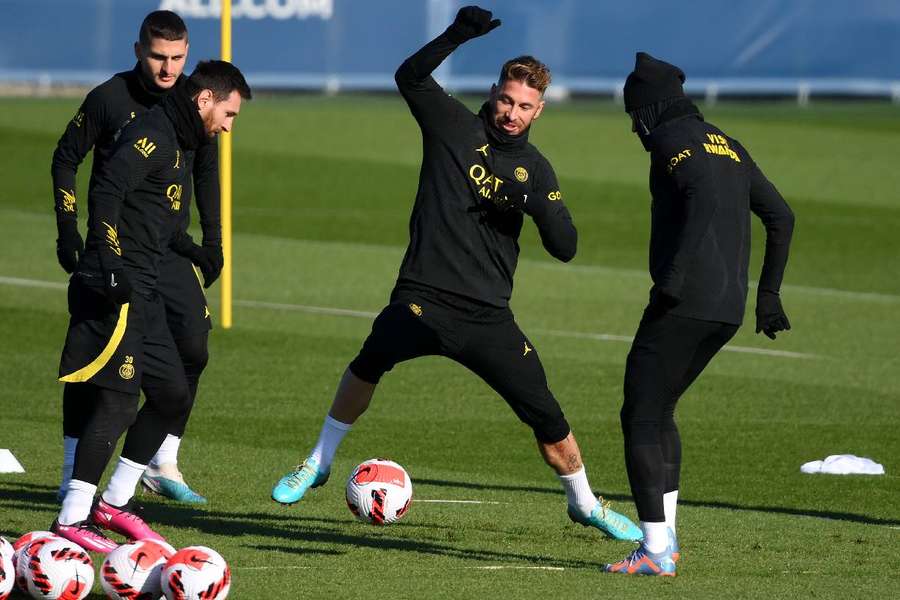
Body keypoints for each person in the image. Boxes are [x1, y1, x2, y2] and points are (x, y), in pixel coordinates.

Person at [270, 6, 642, 543]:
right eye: (507, 99)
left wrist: (534, 203)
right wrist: (455, 35)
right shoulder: (451, 124)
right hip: (423, 296)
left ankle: (584, 503)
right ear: (494, 92)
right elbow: (409, 77)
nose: (512, 112)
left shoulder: (536, 170)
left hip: (487, 315)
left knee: (546, 415)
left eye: (525, 106)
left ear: (539, 111)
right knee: (368, 362)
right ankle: (318, 461)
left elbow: (567, 247)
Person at [605, 52, 794, 576]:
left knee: (640, 413)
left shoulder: (669, 139)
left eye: (632, 115)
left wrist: (675, 274)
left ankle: (656, 552)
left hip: (685, 300)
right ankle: (666, 540)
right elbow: (781, 215)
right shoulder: (726, 143)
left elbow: (700, 193)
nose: (634, 127)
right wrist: (768, 294)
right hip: (728, 306)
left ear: (648, 109)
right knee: (660, 409)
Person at [52, 60, 251, 552]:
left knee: (172, 395)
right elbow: (106, 192)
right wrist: (109, 258)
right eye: (228, 114)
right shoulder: (156, 135)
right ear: (205, 100)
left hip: (150, 288)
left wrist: (198, 250)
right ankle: (72, 517)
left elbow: (159, 221)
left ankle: (114, 504)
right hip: (119, 287)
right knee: (118, 402)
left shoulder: (186, 142)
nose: (228, 126)